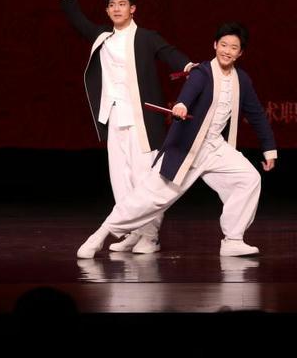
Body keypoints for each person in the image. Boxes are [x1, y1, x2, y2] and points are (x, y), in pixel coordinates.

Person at [76, 22, 277, 258]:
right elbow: (188, 93)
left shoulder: (242, 79)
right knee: (149, 198)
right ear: (215, 45)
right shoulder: (202, 72)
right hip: (186, 148)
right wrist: (181, 105)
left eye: (233, 47)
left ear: (240, 53)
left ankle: (233, 239)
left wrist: (269, 149)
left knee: (249, 178)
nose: (227, 51)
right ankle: (99, 236)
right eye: (223, 45)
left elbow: (256, 114)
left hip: (215, 147)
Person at [58, 0, 195, 253]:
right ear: (107, 11)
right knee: (120, 180)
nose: (116, 9)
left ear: (133, 9)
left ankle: (151, 236)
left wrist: (189, 67)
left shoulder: (146, 37)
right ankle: (132, 232)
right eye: (111, 5)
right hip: (114, 117)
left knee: (146, 179)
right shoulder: (103, 37)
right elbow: (76, 19)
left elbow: (169, 54)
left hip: (143, 120)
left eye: (122, 4)